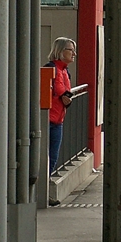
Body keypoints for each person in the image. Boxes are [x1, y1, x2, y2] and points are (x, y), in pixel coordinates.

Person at [47, 38, 77, 179]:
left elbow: (65, 94)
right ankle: (39, 192)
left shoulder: (65, 71)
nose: (74, 53)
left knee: (53, 157)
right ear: (60, 51)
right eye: (70, 50)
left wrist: (67, 100)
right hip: (47, 120)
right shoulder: (51, 68)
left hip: (58, 120)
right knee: (45, 158)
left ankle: (45, 190)